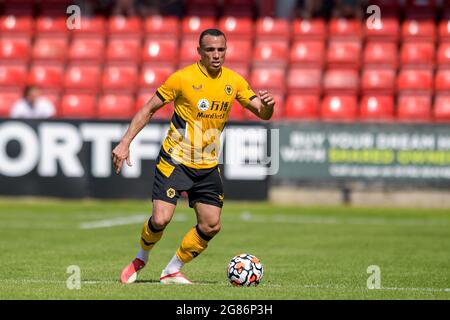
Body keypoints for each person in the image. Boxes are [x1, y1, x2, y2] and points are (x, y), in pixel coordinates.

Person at [112, 28, 275, 285]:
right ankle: (140, 258)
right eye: (210, 50)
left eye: (221, 49)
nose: (216, 55)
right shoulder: (182, 79)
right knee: (161, 218)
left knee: (211, 225)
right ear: (199, 52)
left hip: (208, 166)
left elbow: (262, 113)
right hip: (175, 161)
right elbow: (149, 108)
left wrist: (268, 105)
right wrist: (125, 142)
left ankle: (171, 270)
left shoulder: (234, 81)